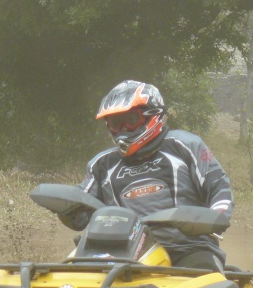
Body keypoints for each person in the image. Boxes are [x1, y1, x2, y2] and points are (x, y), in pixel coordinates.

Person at [59, 79, 234, 272]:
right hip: (122, 252)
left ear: (153, 115)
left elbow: (219, 187)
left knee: (204, 285)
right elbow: (81, 213)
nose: (123, 130)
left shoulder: (185, 145)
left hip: (188, 249)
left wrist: (215, 218)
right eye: (116, 123)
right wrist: (66, 208)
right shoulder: (101, 164)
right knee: (69, 280)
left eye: (131, 120)